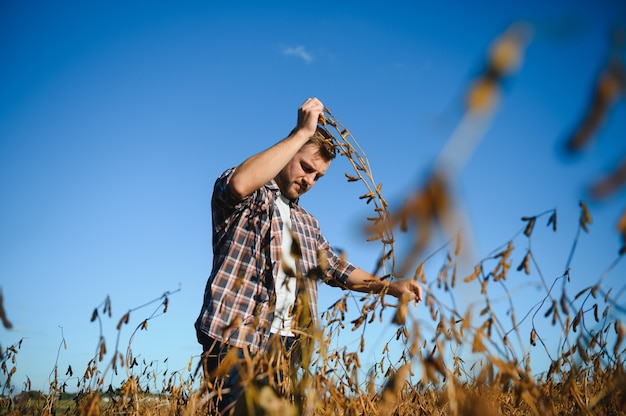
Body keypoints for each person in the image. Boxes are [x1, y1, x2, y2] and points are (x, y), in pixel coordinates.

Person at [195, 97, 423, 414]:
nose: (309, 181)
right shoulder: (248, 196)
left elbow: (339, 271)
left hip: (289, 346)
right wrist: (302, 133)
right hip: (236, 339)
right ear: (289, 150)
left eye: (318, 176)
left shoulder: (307, 223)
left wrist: (391, 286)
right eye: (305, 167)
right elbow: (240, 184)